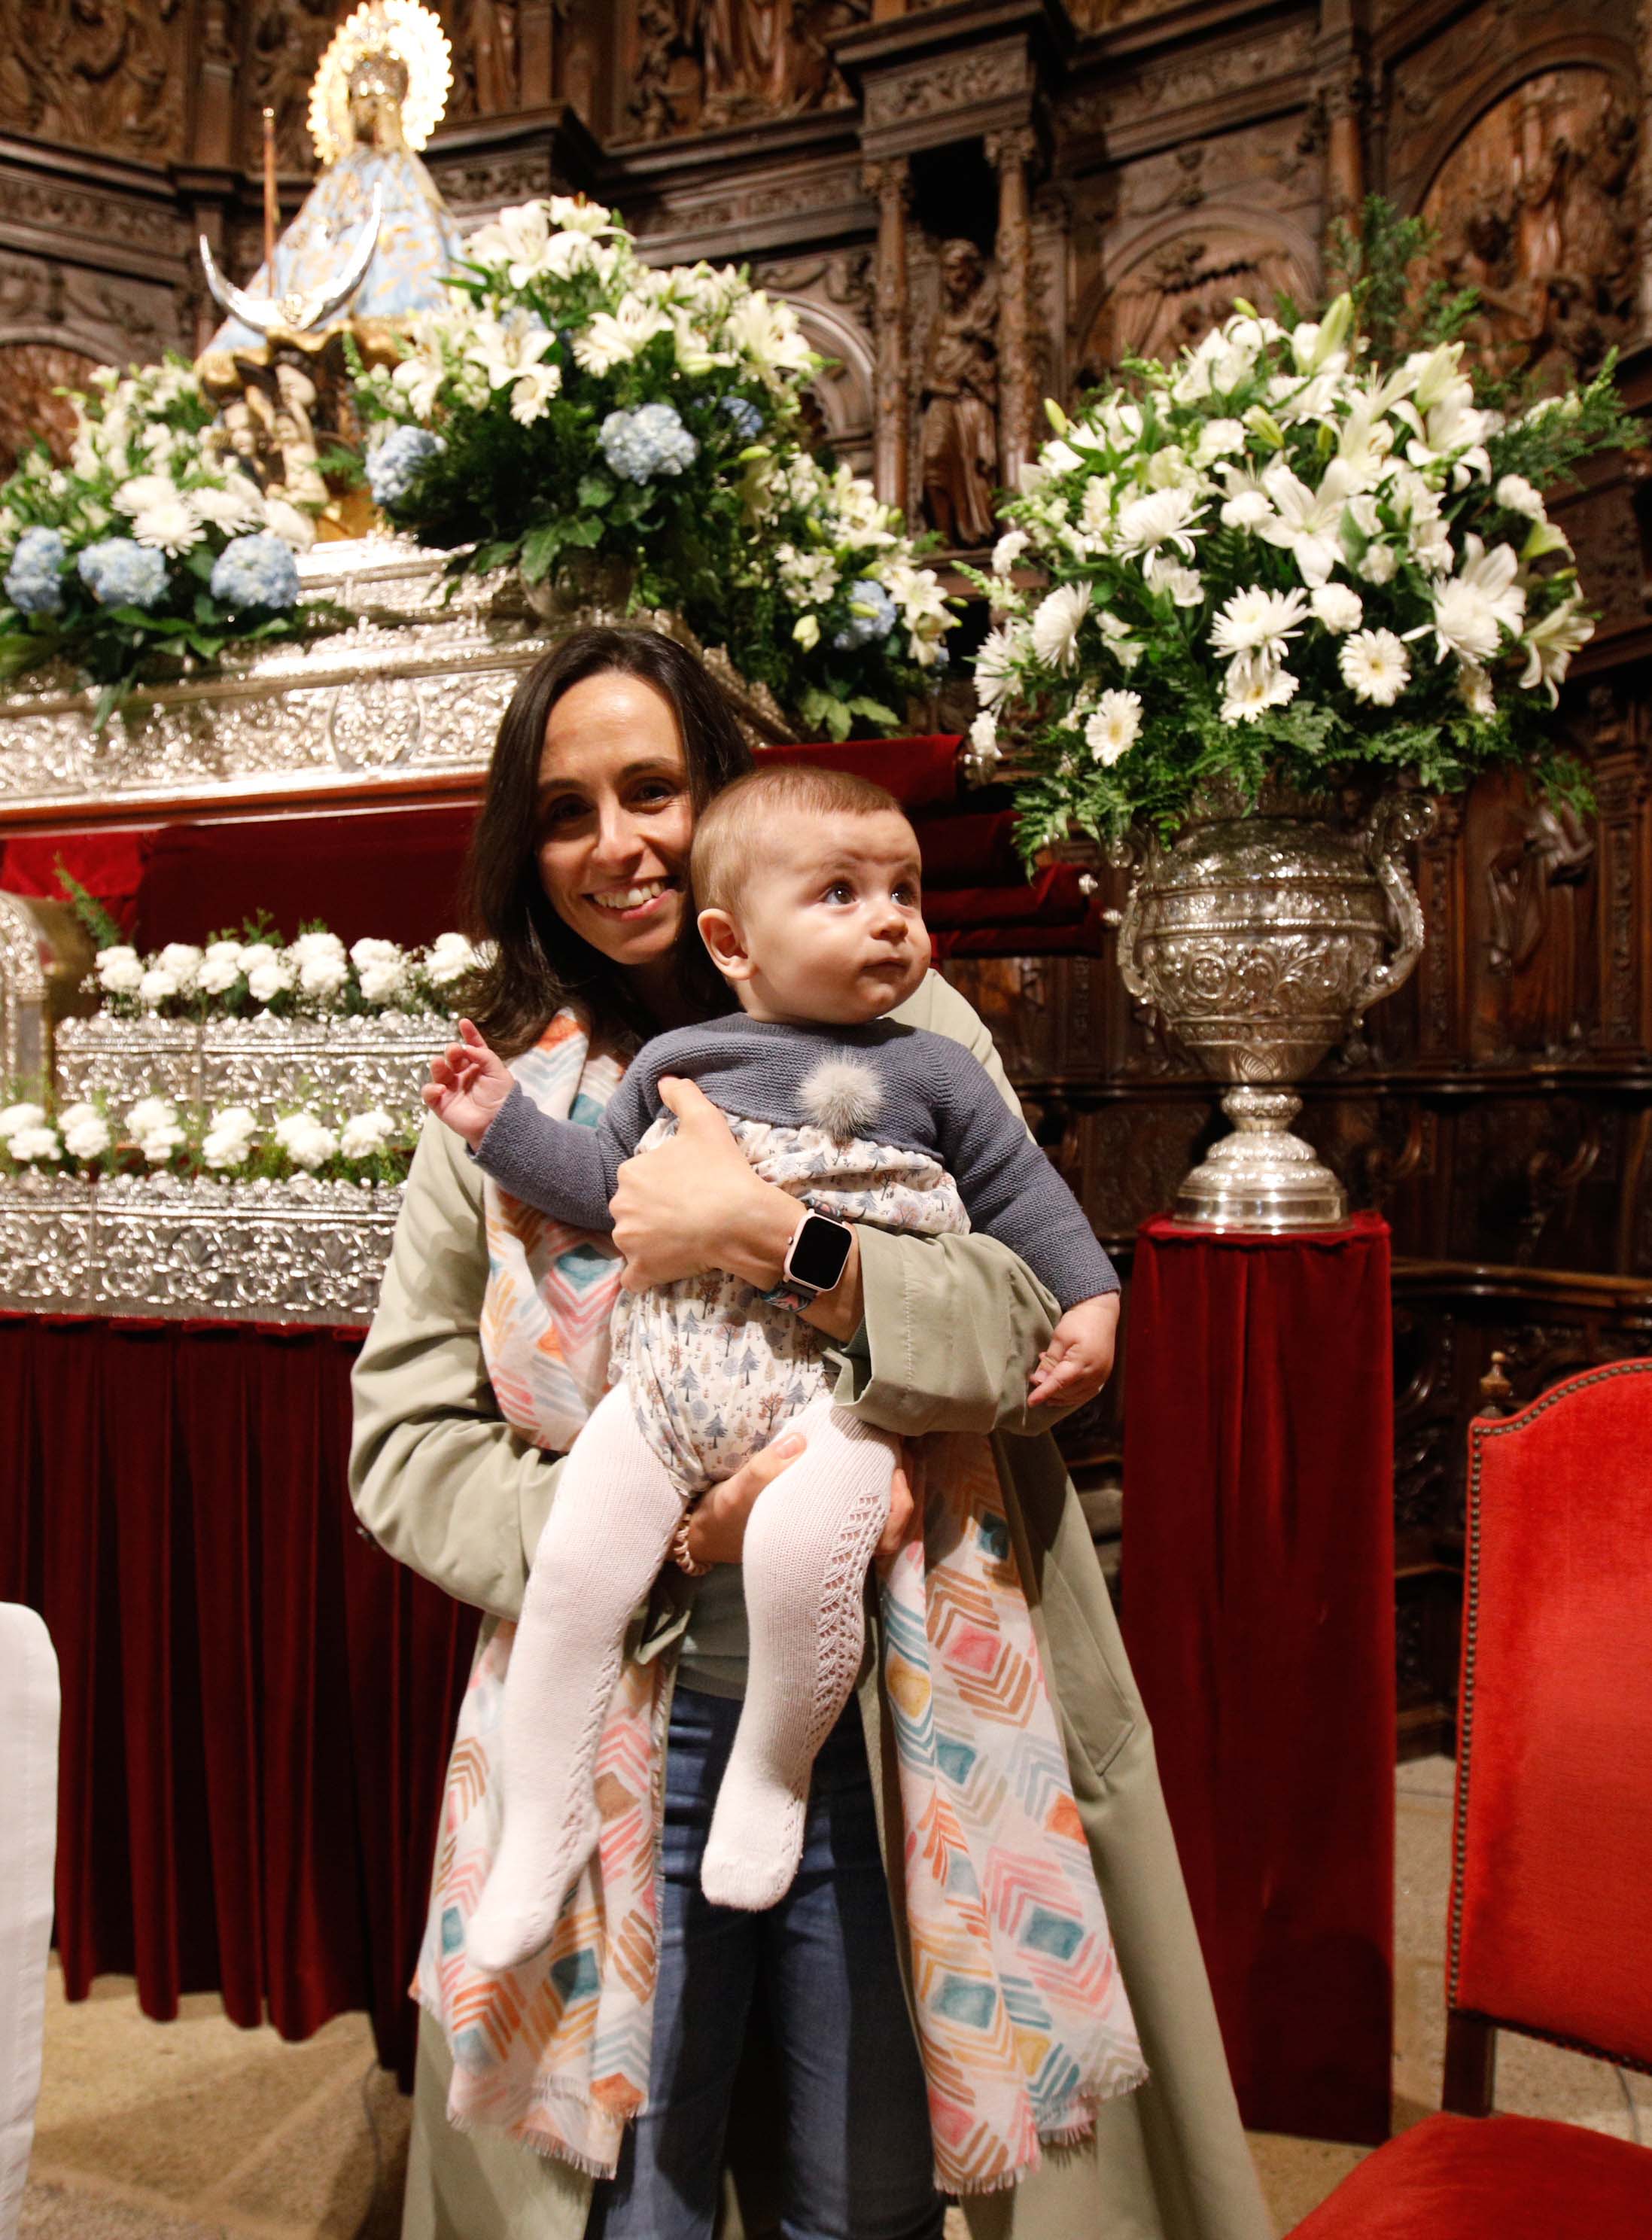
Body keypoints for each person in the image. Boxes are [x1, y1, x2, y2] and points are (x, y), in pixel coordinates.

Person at [348, 625, 1271, 2240]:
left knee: (873, 2184)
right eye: (567, 810)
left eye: (654, 787)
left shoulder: (910, 1041)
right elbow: (404, 1441)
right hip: (626, 1721)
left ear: (726, 803)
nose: (615, 841)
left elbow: (1026, 1322)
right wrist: (641, 1539)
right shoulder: (515, 1101)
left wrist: (778, 1237)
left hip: (906, 1707)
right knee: (627, 2190)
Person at [424, 763, 1124, 1962]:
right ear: (732, 941)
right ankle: (535, 1826)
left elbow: (1025, 1199)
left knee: (808, 1555)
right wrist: (501, 1127)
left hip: (829, 1409)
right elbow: (600, 1188)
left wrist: (1095, 1301)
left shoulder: (936, 1067)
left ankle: (772, 1768)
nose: (891, 917)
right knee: (574, 1583)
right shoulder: (680, 1063)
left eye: (904, 890)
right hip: (663, 1398)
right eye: (843, 893)